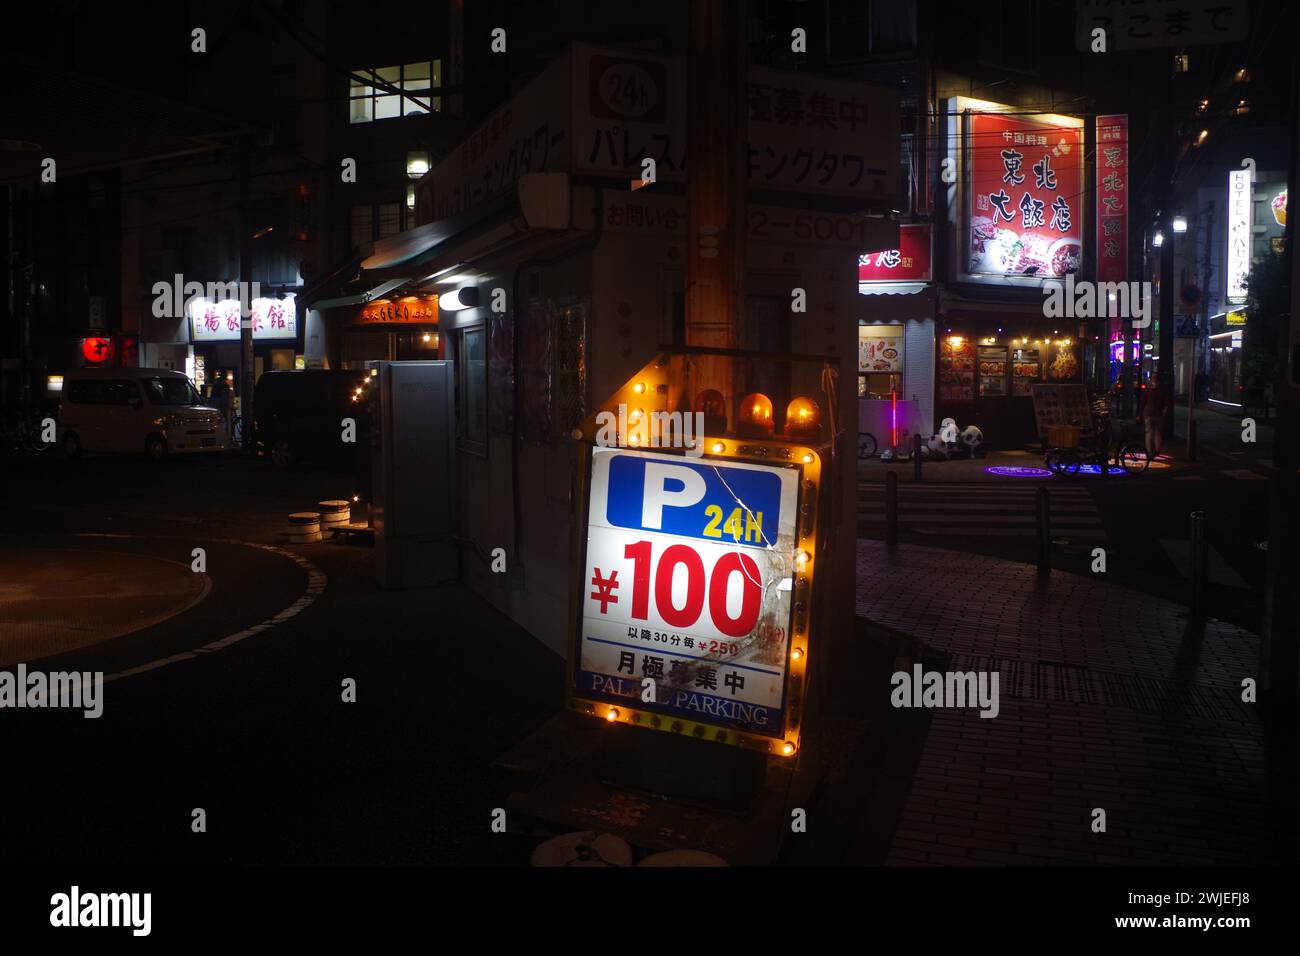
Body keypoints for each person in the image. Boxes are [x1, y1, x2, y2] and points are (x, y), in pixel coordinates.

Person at [1140, 385, 1168, 457]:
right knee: (1157, 433)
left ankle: (1149, 451)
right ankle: (1156, 451)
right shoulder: (1162, 391)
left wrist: (1139, 414)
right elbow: (1166, 403)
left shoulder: (1147, 390)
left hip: (1150, 414)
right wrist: (1164, 411)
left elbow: (1143, 402)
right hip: (1157, 414)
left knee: (1149, 433)